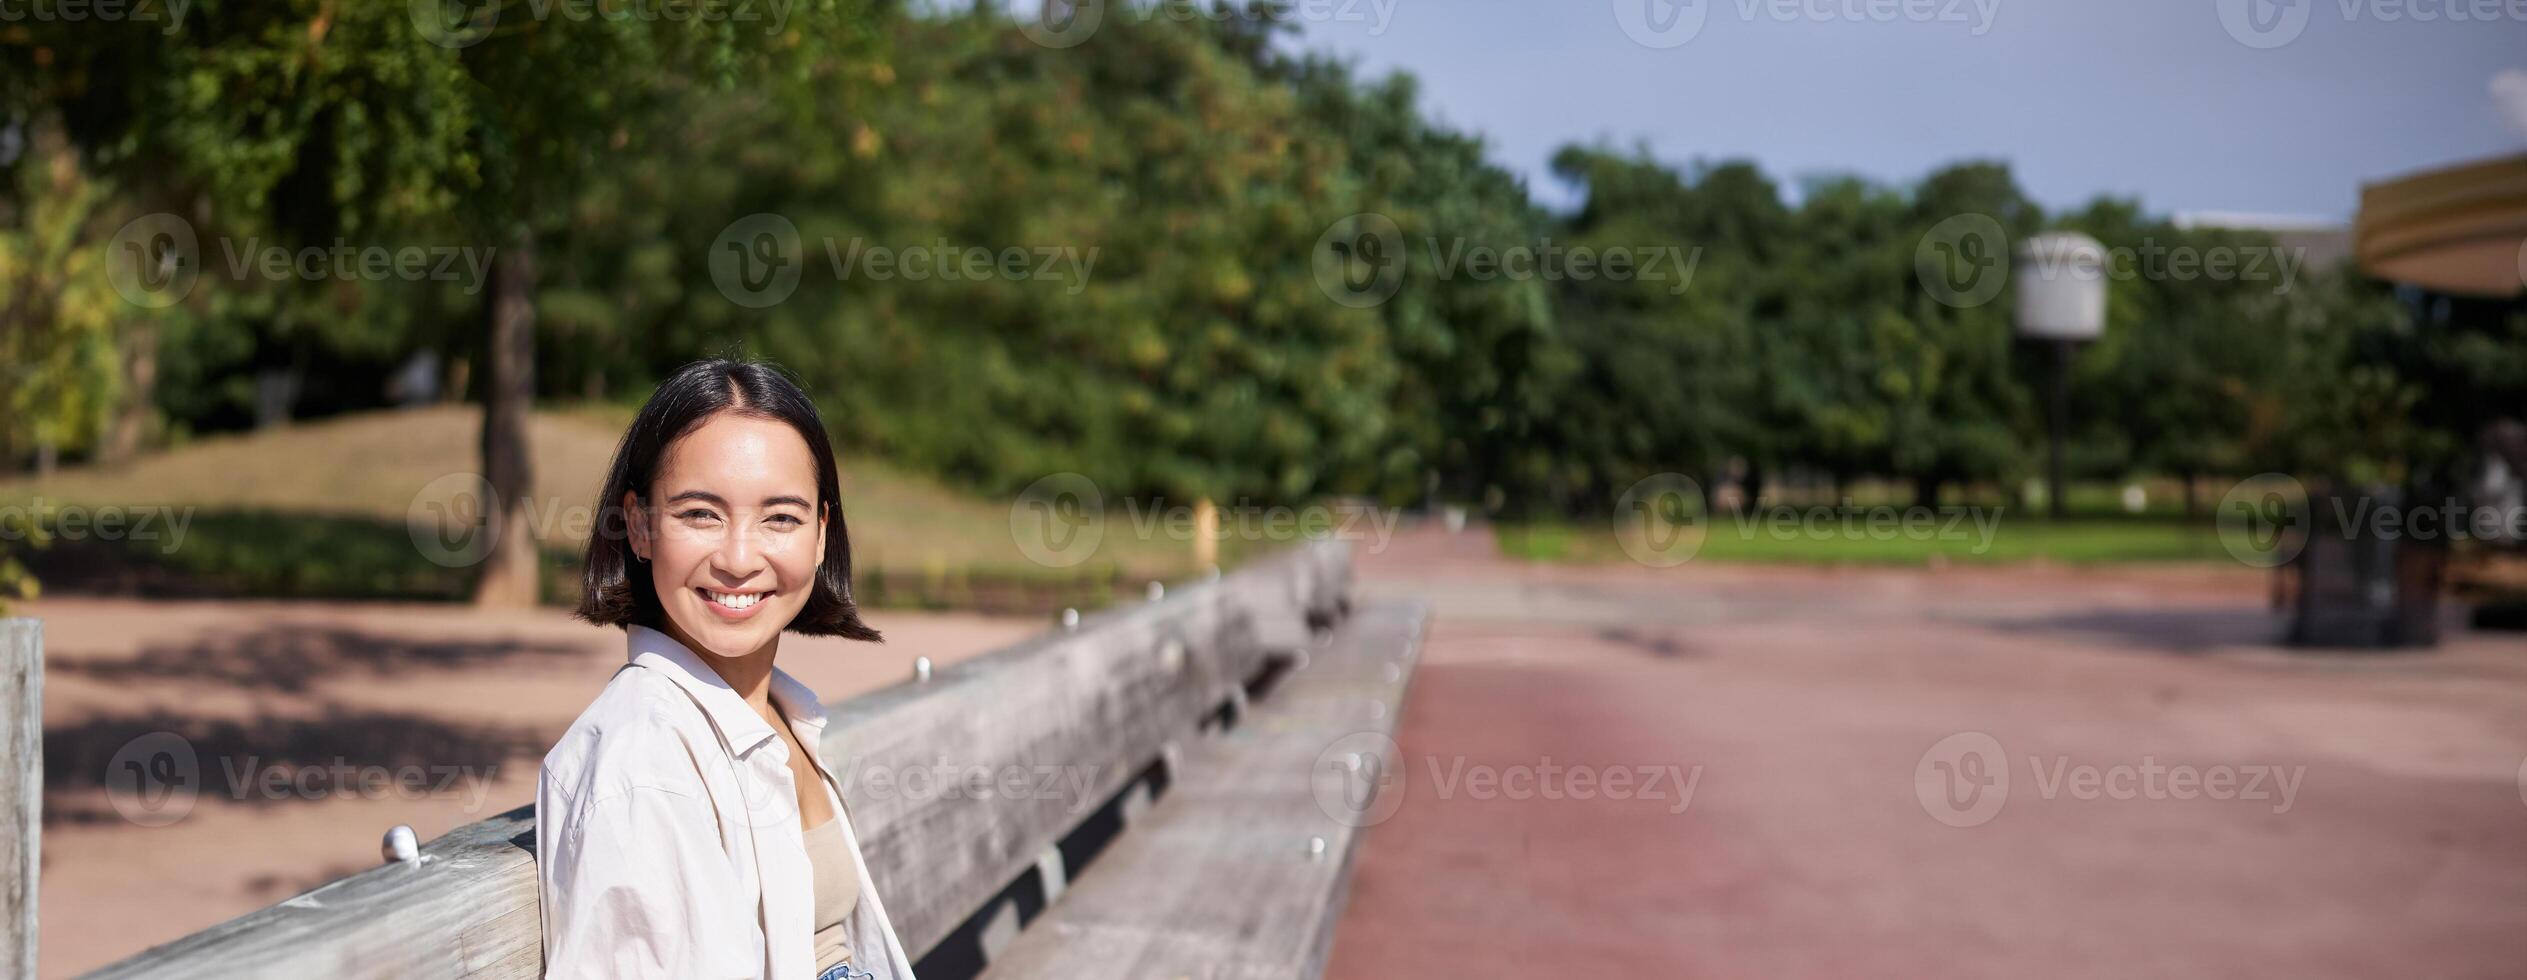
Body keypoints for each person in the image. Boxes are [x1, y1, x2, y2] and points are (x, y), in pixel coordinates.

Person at [536, 358, 915, 979]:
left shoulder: (782, 714)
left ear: (821, 533)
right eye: (700, 514)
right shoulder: (642, 764)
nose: (738, 559)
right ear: (638, 524)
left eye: (781, 518)